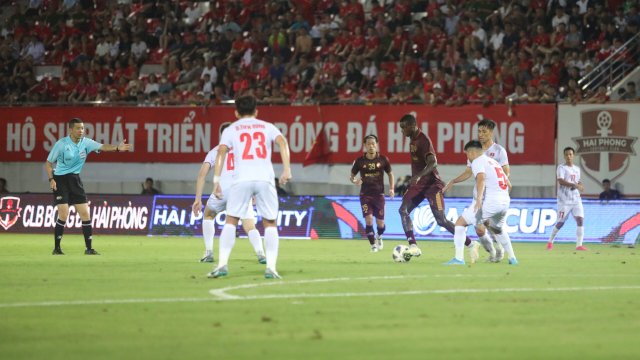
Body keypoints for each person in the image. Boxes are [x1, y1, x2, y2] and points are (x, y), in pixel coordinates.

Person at [208, 95, 292, 279]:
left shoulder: (231, 129)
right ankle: (271, 268)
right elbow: (282, 142)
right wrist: (286, 169)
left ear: (236, 112)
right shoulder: (267, 126)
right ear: (256, 111)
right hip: (265, 179)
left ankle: (222, 265)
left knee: (231, 220)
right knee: (269, 223)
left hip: (242, 179)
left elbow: (221, 152)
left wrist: (216, 181)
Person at [45, 117, 132, 255]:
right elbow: (48, 163)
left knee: (85, 214)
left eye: (82, 128)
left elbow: (103, 146)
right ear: (71, 130)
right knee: (63, 213)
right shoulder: (61, 144)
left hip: (75, 180)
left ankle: (89, 249)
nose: (81, 131)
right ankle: (57, 248)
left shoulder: (86, 143)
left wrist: (116, 148)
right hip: (60, 180)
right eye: (78, 128)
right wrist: (51, 179)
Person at [397, 114, 479, 259]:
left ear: (411, 125)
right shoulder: (413, 140)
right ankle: (413, 246)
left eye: (403, 128)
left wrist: (418, 176)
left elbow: (433, 162)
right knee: (403, 210)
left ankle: (471, 243)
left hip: (432, 186)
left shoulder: (423, 140)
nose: (402, 132)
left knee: (441, 220)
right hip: (418, 186)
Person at [192, 122, 266, 264]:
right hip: (241, 191)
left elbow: (202, 175)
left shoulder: (215, 151)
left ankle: (208, 253)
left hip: (222, 191)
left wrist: (198, 199)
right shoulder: (244, 151)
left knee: (208, 215)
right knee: (249, 225)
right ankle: (261, 254)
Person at [444, 119, 509, 262]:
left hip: (492, 197)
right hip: (479, 196)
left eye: (484, 131)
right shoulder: (475, 151)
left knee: (490, 226)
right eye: (479, 131)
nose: (481, 134)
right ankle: (493, 252)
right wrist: (454, 180)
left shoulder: (499, 151)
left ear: (491, 132)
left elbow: (505, 172)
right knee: (480, 229)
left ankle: (498, 250)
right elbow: (469, 172)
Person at [349, 134, 395, 252]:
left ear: (377, 145)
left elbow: (390, 174)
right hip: (365, 195)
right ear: (365, 145)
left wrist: (391, 188)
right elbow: (352, 176)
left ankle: (379, 236)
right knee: (368, 220)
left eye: (373, 144)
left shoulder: (383, 159)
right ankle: (373, 245)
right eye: (368, 144)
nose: (371, 146)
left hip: (379, 195)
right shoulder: (359, 161)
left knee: (380, 224)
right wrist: (355, 181)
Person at [546, 147, 588, 251]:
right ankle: (550, 241)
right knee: (560, 223)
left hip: (576, 198)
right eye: (567, 154)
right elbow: (561, 181)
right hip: (564, 200)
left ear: (573, 155)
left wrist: (580, 186)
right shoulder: (561, 168)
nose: (569, 156)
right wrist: (574, 184)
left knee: (580, 219)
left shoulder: (577, 169)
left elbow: (578, 182)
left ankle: (579, 245)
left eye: (570, 154)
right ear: (564, 156)